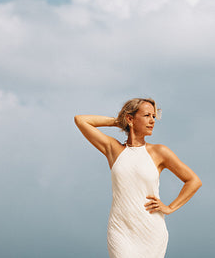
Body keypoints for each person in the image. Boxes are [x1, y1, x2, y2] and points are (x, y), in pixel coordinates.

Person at [74, 98, 202, 258]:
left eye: (154, 116)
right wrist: (117, 122)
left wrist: (170, 208)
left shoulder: (159, 152)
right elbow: (81, 120)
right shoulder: (113, 149)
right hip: (120, 230)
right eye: (147, 115)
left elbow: (193, 181)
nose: (152, 121)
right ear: (130, 118)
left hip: (151, 231)